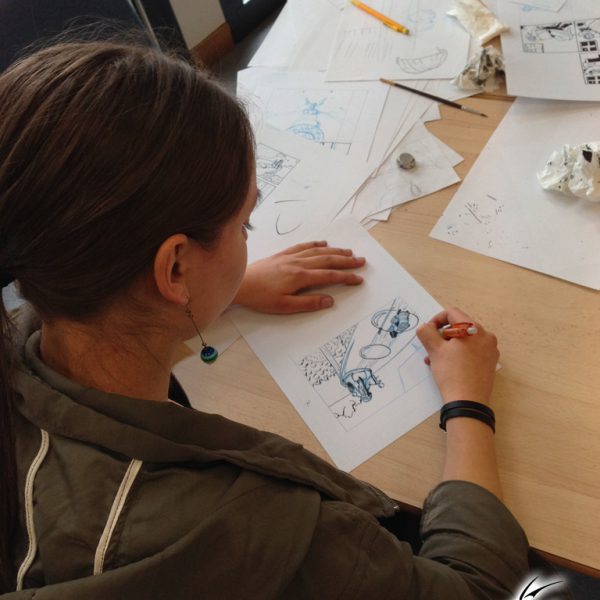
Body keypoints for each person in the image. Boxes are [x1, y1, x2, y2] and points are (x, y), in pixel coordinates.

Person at [0, 41, 530, 598]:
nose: (247, 238)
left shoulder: (34, 335)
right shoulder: (246, 525)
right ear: (174, 267)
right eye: (244, 225)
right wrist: (469, 404)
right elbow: (478, 589)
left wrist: (223, 287)